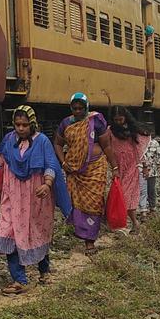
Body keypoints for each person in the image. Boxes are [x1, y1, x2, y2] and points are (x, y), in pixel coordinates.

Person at [0, 105, 71, 294]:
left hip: (36, 196)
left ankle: (44, 271)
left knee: (36, 232)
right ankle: (20, 280)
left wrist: (47, 184)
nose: (20, 128)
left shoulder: (42, 141)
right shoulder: (9, 140)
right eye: (17, 124)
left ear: (32, 124)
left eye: (24, 125)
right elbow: (0, 162)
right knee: (9, 231)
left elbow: (51, 164)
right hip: (12, 195)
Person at [54, 93, 111, 254]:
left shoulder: (96, 121)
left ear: (87, 107)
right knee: (78, 203)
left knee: (95, 202)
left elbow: (106, 146)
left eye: (81, 108)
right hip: (74, 171)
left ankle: (90, 240)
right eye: (75, 108)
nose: (78, 111)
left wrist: (115, 168)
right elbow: (58, 143)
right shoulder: (66, 123)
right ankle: (82, 234)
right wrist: (63, 162)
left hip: (95, 169)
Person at [104, 106, 143, 231]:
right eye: (116, 120)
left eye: (120, 119)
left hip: (131, 165)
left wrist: (143, 165)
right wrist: (113, 166)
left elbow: (137, 148)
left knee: (125, 194)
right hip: (117, 165)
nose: (118, 122)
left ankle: (123, 223)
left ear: (125, 117)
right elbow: (107, 147)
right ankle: (132, 223)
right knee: (118, 193)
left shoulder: (132, 129)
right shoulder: (110, 130)